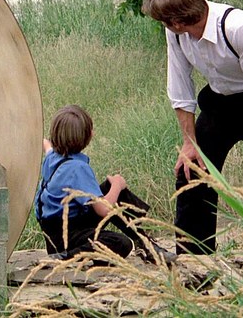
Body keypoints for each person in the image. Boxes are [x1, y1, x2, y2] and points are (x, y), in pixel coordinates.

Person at [141, 0, 243, 255]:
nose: (164, 26)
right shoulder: (175, 34)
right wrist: (189, 142)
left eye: (164, 21)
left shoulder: (240, 28)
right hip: (221, 101)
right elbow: (180, 86)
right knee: (192, 168)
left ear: (177, 21)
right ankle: (194, 257)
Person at [34, 104, 174, 264]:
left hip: (57, 231)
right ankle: (67, 256)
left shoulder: (53, 156)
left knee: (109, 189)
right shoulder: (78, 169)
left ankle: (144, 243)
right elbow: (103, 209)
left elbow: (46, 145)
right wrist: (117, 185)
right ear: (87, 137)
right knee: (121, 243)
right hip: (66, 238)